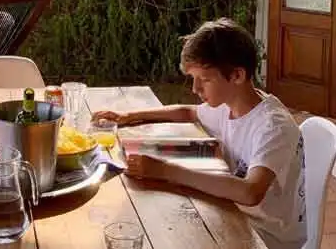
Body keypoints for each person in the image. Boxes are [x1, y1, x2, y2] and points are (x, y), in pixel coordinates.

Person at [93, 18, 306, 249]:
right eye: (193, 79)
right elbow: (188, 112)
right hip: (231, 211)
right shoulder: (229, 104)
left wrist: (165, 170)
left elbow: (250, 192)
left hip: (266, 237)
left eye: (204, 79)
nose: (195, 89)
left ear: (237, 75)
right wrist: (129, 116)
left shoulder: (273, 127)